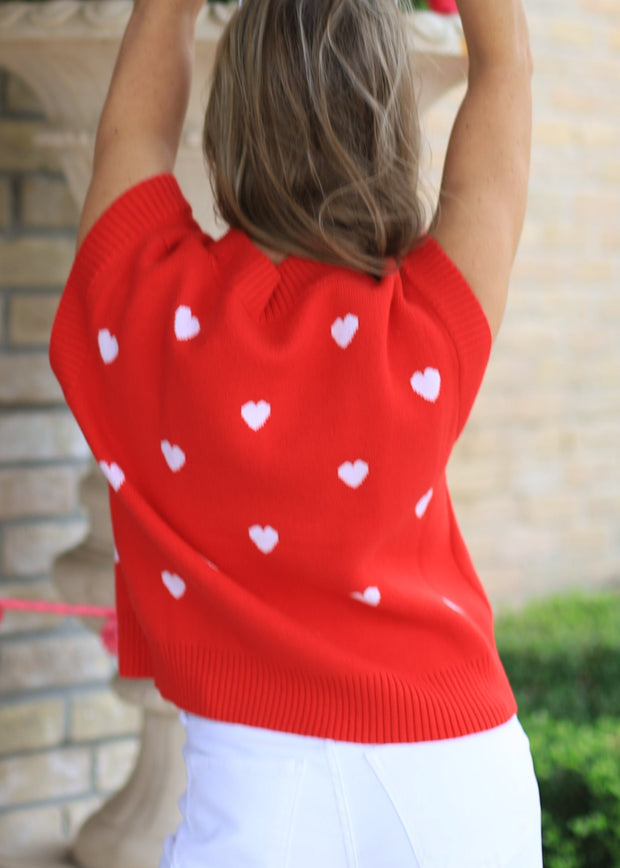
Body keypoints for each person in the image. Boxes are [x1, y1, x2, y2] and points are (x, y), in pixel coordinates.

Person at [50, 0, 538, 865]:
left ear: (226, 127)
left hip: (256, 788)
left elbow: (130, 137)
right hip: (460, 775)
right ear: (392, 130)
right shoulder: (426, 322)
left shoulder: (148, 314)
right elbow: (504, 70)